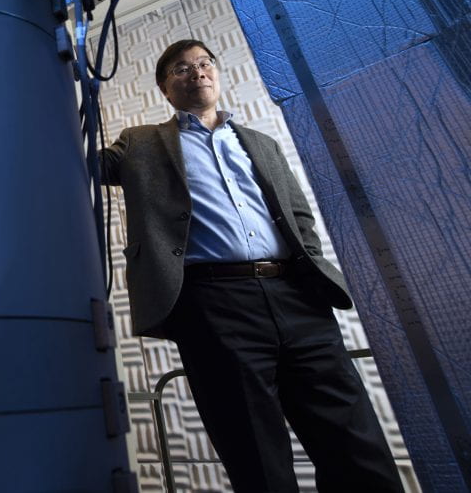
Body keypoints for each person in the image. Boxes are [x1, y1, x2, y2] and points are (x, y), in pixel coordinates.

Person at [100, 39, 403, 492]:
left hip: (298, 298)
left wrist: (310, 269)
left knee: (355, 443)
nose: (197, 72)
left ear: (217, 75)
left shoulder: (259, 142)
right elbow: (85, 162)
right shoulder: (141, 142)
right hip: (214, 306)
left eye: (204, 63)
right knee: (256, 456)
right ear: (165, 88)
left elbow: (298, 215)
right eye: (181, 69)